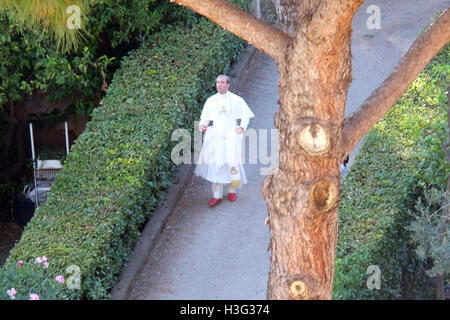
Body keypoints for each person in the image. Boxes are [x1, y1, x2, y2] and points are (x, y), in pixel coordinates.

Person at [195, 75, 255, 207]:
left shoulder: (236, 100)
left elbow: (246, 116)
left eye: (222, 82)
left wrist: (242, 127)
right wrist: (202, 126)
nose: (219, 85)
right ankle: (217, 195)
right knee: (216, 164)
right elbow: (204, 119)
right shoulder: (210, 101)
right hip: (215, 137)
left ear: (228, 85)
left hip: (231, 135)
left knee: (232, 163)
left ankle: (232, 190)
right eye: (217, 82)